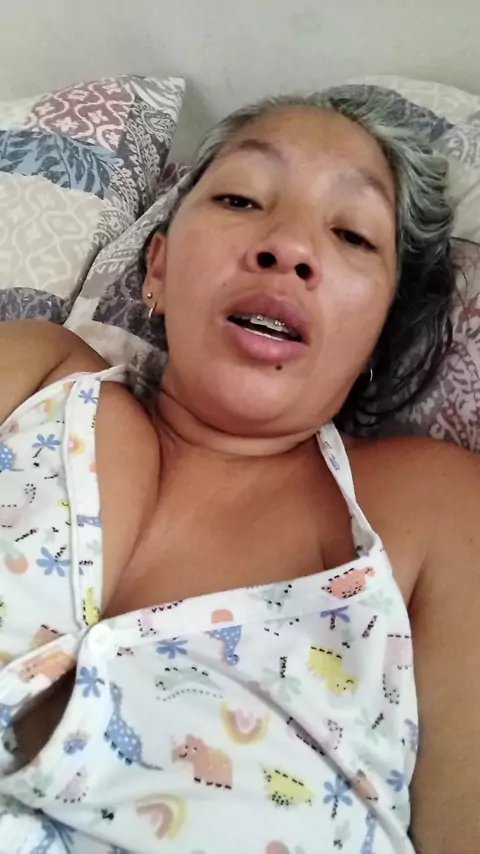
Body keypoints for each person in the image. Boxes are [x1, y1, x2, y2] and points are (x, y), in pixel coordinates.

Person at [0, 85, 479, 854]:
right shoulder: (33, 375)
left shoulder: (437, 513)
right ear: (158, 267)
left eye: (353, 235)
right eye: (241, 199)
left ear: (380, 332)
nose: (287, 246)